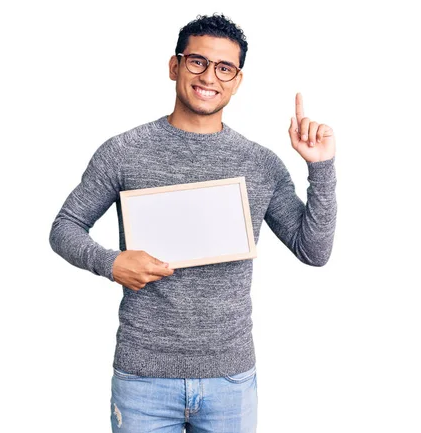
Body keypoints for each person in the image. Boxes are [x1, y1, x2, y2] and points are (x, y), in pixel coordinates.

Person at [49, 12, 337, 433]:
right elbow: (65, 228)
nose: (209, 77)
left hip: (230, 377)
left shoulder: (260, 164)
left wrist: (322, 168)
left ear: (237, 81)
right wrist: (111, 264)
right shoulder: (124, 151)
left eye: (225, 68)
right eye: (197, 62)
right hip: (143, 374)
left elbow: (314, 251)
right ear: (175, 66)